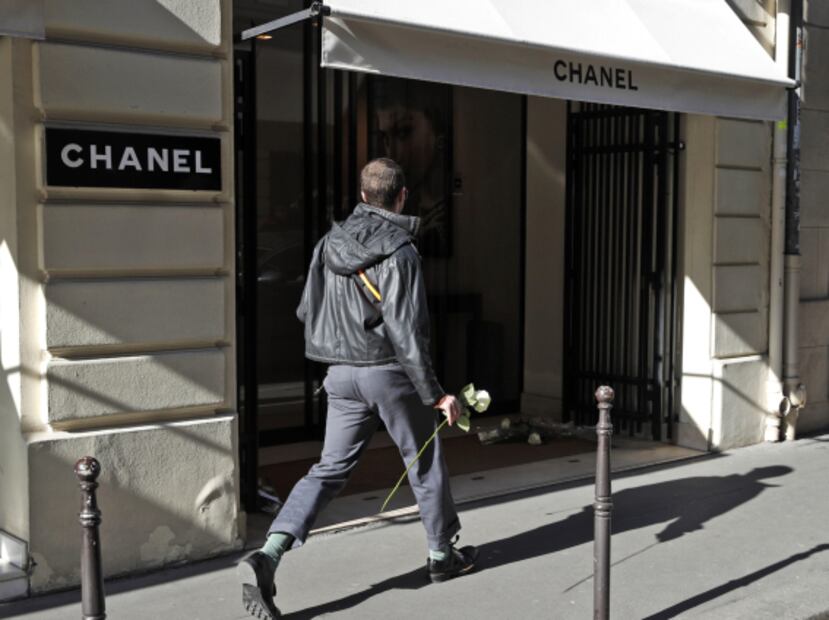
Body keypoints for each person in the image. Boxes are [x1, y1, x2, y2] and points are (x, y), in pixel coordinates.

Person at [237, 158, 478, 619]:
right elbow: (406, 331)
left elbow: (307, 310)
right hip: (388, 372)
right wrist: (436, 394)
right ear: (402, 196)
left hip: (340, 375)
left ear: (364, 196)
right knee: (423, 463)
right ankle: (442, 556)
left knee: (327, 470)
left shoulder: (330, 243)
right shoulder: (401, 251)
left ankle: (270, 551)